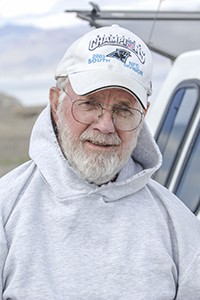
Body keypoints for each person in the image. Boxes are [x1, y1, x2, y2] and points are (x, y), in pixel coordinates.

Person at [0, 24, 200, 300]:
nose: (106, 126)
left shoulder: (178, 226)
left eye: (123, 110)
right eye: (90, 104)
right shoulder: (7, 209)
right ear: (55, 103)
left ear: (143, 116)